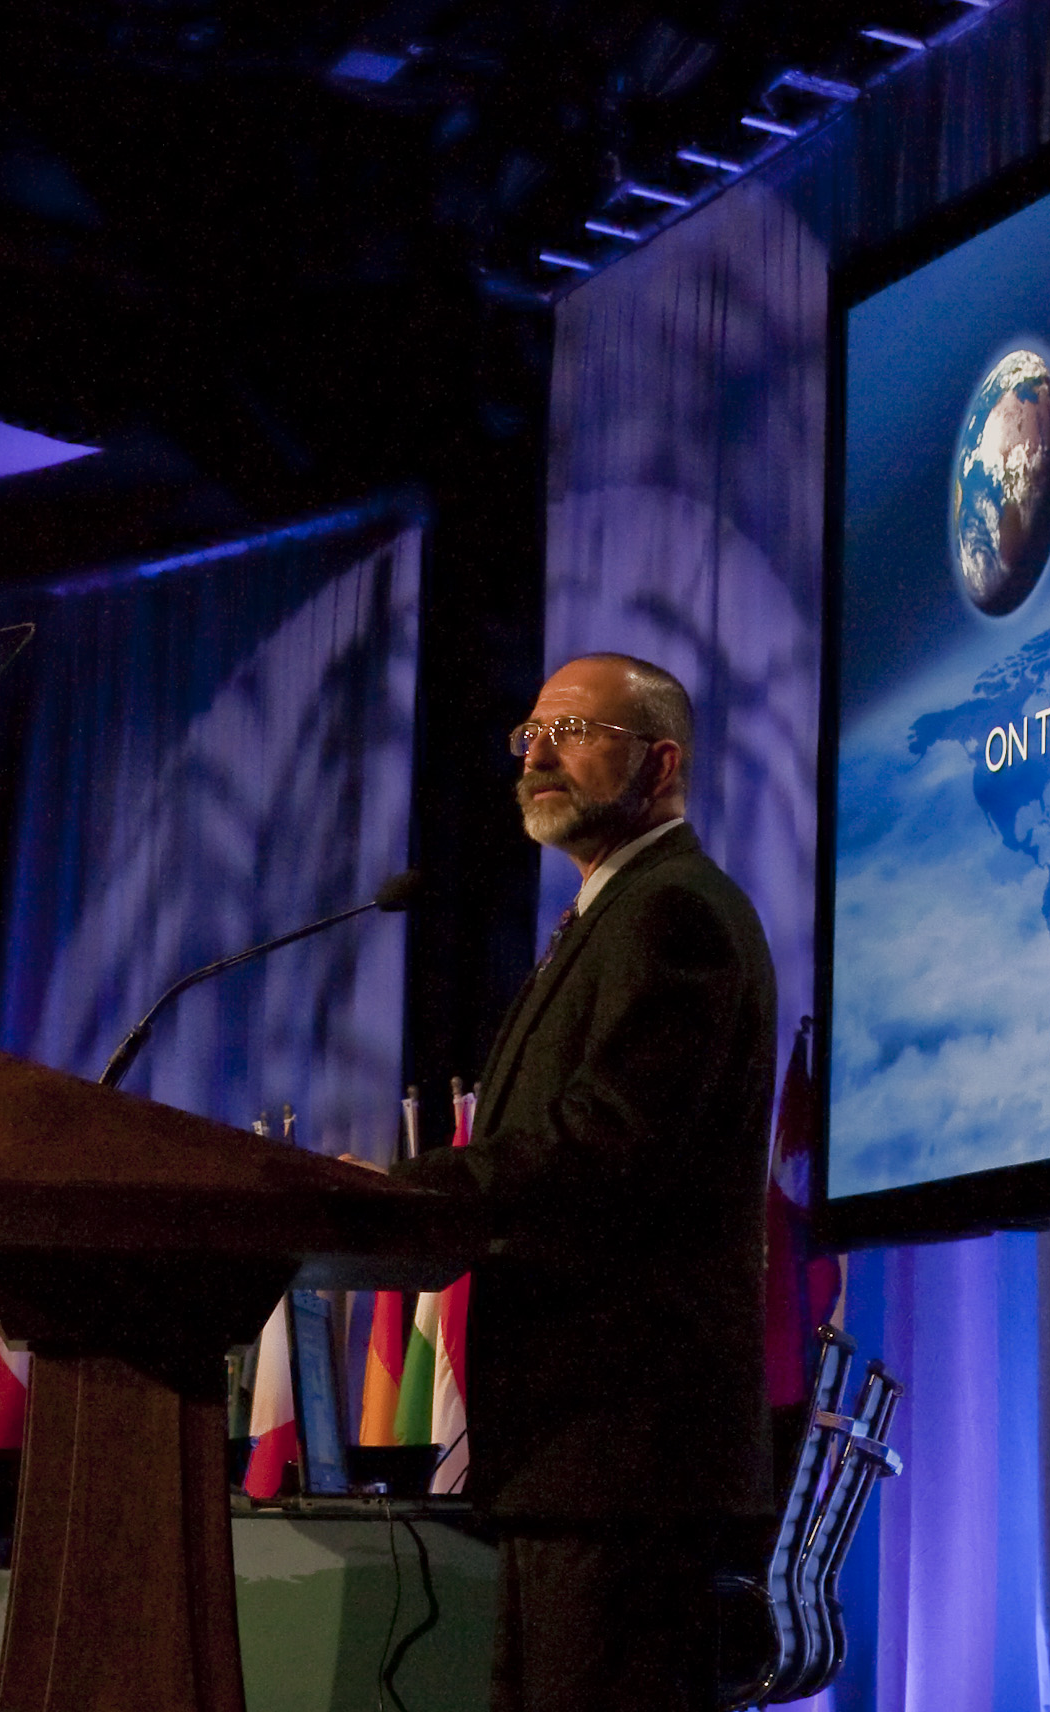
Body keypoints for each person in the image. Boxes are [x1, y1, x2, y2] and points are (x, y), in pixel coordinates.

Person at [390, 653, 778, 1712]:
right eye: (533, 732)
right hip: (570, 1456)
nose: (541, 751)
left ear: (658, 762)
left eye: (574, 728)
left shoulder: (677, 914)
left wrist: (406, 1196)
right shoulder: (606, 920)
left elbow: (602, 1147)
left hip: (625, 1454)